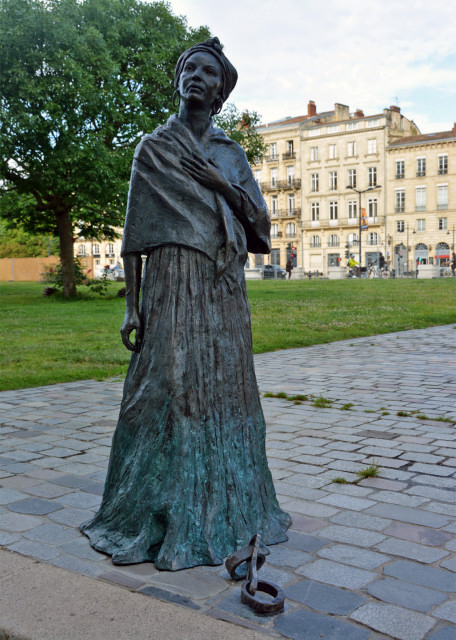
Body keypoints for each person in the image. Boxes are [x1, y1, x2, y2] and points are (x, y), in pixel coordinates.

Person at [80, 37, 290, 570]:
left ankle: (230, 504)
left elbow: (261, 227)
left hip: (221, 288)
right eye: (188, 69)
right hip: (172, 283)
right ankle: (162, 506)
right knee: (172, 389)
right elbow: (135, 237)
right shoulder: (152, 150)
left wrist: (222, 184)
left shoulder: (229, 154)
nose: (196, 76)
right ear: (178, 81)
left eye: (208, 72)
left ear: (221, 92)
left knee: (223, 388)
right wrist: (132, 305)